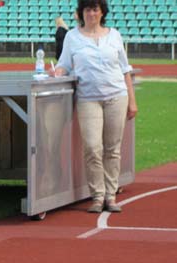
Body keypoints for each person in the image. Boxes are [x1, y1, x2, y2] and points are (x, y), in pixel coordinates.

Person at [54, 0, 137, 213]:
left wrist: (132, 100)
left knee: (112, 149)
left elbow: (125, 69)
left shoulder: (114, 35)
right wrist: (57, 72)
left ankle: (111, 195)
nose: (91, 13)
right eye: (88, 9)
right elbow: (64, 64)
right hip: (88, 98)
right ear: (82, 13)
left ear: (102, 13)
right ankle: (97, 196)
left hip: (116, 96)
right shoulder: (72, 37)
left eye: (95, 9)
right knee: (92, 147)